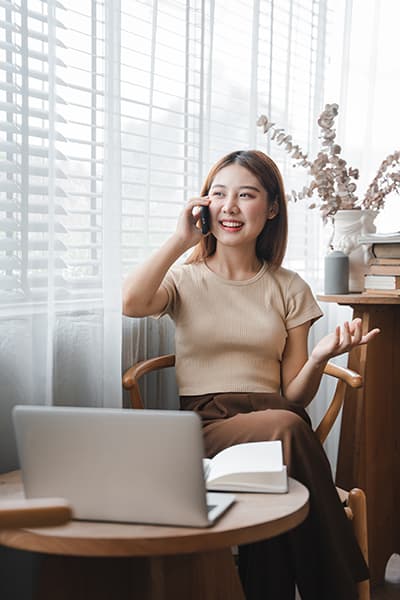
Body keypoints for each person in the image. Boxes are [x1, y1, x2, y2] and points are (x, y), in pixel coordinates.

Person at [122, 150, 379, 599]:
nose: (230, 207)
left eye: (246, 195)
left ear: (273, 207)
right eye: (219, 194)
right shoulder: (185, 279)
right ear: (204, 206)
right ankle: (343, 589)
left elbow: (294, 394)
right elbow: (131, 304)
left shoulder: (289, 287)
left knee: (283, 435)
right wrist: (178, 241)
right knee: (287, 429)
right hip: (206, 425)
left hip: (273, 424)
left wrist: (319, 356)